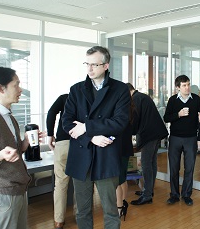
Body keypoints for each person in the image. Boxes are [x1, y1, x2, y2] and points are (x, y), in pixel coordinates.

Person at [62, 46, 130, 229]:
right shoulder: (76, 90)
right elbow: (67, 122)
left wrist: (86, 127)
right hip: (82, 154)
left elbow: (120, 122)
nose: (89, 69)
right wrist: (90, 137)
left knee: (110, 210)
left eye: (94, 65)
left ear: (106, 65)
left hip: (106, 155)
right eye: (87, 64)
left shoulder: (120, 89)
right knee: (82, 211)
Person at [0, 67, 35, 229]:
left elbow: (14, 152)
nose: (20, 89)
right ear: (0, 88)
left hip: (17, 191)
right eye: (16, 85)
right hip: (1, 196)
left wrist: (24, 143)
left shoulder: (9, 117)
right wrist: (0, 155)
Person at [163, 75, 200, 206]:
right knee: (174, 168)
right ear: (178, 88)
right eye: (184, 85)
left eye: (188, 84)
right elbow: (166, 118)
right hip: (175, 138)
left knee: (189, 168)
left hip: (191, 138)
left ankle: (186, 194)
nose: (187, 87)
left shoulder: (197, 100)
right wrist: (178, 114)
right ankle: (174, 195)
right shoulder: (172, 100)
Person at [127, 83, 169, 206]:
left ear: (128, 92)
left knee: (146, 164)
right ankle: (148, 191)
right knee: (152, 163)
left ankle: (147, 195)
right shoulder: (142, 96)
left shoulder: (136, 99)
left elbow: (135, 120)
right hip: (155, 134)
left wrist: (130, 132)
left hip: (149, 135)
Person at [46, 93, 71, 229]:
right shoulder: (87, 98)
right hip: (81, 144)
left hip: (62, 143)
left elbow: (51, 113)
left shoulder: (64, 97)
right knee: (82, 181)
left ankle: (59, 221)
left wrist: (50, 134)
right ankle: (81, 215)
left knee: (60, 183)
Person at [116, 92, 137, 221]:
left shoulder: (120, 112)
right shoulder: (131, 110)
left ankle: (119, 208)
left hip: (119, 148)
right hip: (126, 147)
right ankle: (123, 202)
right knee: (122, 178)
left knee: (117, 180)